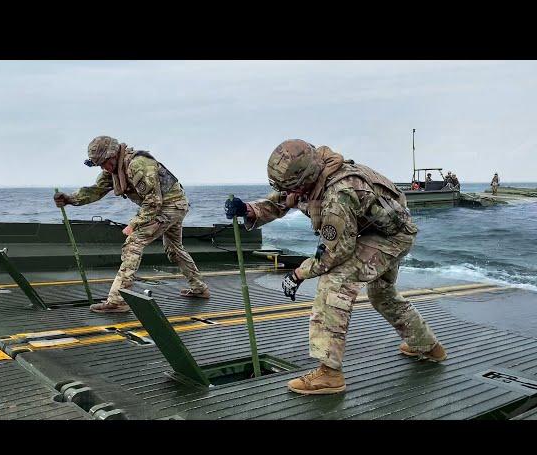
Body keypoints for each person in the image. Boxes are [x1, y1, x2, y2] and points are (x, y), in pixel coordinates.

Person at [225, 139, 445, 395]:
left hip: (391, 238)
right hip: (378, 231)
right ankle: (427, 346)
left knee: (334, 284)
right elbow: (286, 198)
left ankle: (329, 374)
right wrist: (250, 210)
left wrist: (298, 274)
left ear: (305, 177)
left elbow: (336, 252)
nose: (291, 191)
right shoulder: (313, 169)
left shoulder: (339, 194)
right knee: (381, 293)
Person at [54, 136, 210, 313]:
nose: (104, 167)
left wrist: (134, 225)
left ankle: (117, 300)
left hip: (169, 206)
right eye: (100, 165)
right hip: (171, 205)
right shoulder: (114, 169)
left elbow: (153, 201)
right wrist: (70, 199)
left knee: (133, 244)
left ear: (114, 155)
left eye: (105, 162)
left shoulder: (138, 164)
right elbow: (96, 190)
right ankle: (199, 288)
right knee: (173, 248)